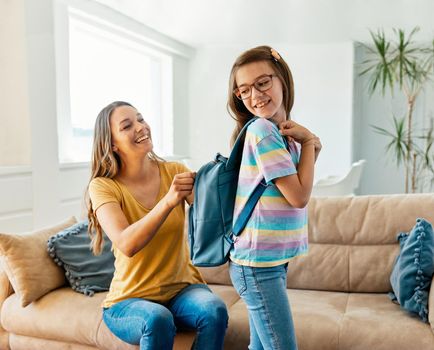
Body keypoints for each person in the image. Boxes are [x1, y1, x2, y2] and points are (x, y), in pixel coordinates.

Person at [86, 101, 228, 350]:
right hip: (129, 301)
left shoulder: (174, 171)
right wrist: (169, 201)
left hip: (183, 291)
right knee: (156, 319)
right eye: (127, 125)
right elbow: (127, 243)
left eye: (140, 119)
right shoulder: (103, 186)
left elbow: (211, 217)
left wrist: (215, 182)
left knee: (214, 310)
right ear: (112, 145)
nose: (141, 127)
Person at [226, 46, 322, 350]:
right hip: (257, 264)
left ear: (282, 79)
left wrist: (308, 145)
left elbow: (295, 184)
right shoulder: (263, 131)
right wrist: (310, 142)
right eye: (244, 90)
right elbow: (298, 197)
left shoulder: (283, 134)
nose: (255, 95)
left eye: (262, 83)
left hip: (269, 262)